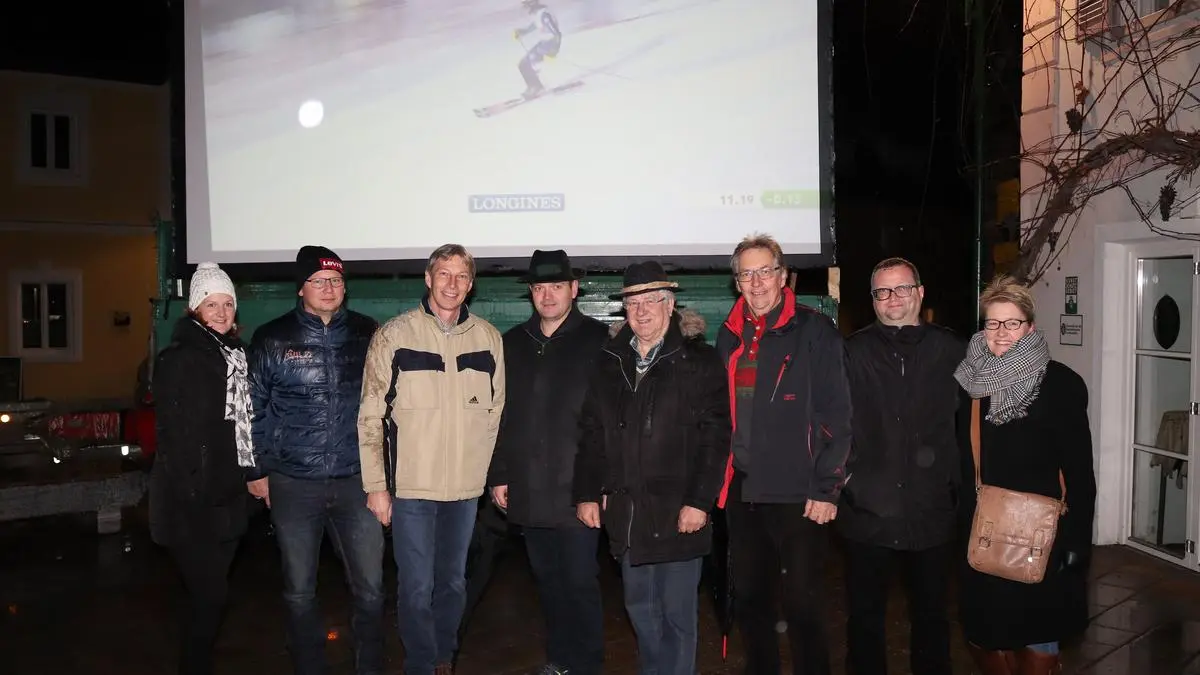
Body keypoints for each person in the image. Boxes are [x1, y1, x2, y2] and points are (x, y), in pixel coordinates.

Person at [573, 261, 730, 675]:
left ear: (670, 304)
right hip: (627, 513)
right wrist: (588, 491)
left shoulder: (699, 360)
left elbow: (716, 437)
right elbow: (591, 431)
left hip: (678, 510)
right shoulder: (609, 360)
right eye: (633, 303)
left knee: (677, 617)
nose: (641, 311)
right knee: (640, 610)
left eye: (651, 301)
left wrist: (700, 502)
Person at [358, 244, 505, 675]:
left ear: (471, 284)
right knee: (416, 587)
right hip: (410, 491)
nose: (452, 284)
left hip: (464, 492)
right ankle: (421, 665)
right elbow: (371, 417)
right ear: (428, 278)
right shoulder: (394, 335)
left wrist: (488, 480)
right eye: (444, 274)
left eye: (462, 276)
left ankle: (444, 659)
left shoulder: (488, 339)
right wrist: (377, 487)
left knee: (454, 583)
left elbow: (495, 418)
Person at [715, 233, 851, 675]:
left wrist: (828, 487)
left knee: (803, 607)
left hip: (799, 493)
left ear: (784, 275)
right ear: (737, 282)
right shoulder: (729, 333)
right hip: (744, 489)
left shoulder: (814, 330)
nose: (757, 282)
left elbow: (838, 412)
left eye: (765, 271)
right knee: (752, 604)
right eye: (746, 273)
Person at [245, 246, 384, 675]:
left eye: (337, 281)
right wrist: (257, 471)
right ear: (301, 287)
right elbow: (253, 409)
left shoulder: (368, 333)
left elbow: (385, 403)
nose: (329, 289)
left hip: (355, 481)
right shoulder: (272, 338)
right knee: (300, 591)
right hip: (293, 482)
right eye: (320, 281)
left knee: (372, 590)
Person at [953, 274, 1096, 675]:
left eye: (1012, 323)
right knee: (985, 632)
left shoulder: (1061, 384)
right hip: (985, 527)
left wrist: (1078, 541)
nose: (1001, 333)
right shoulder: (971, 384)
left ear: (1030, 326)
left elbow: (1080, 471)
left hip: (1043, 532)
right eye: (992, 323)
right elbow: (965, 461)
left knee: (1038, 633)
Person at [838, 257, 964, 675]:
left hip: (931, 510)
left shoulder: (952, 351)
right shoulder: (852, 352)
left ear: (920, 292)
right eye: (882, 292)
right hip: (867, 511)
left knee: (931, 616)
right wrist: (849, 481)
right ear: (872, 299)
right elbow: (829, 422)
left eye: (902, 288)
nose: (893, 299)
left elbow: (980, 416)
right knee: (864, 618)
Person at [487, 250, 609, 675]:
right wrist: (499, 473)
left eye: (556, 286)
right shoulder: (512, 343)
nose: (548, 295)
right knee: (549, 584)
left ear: (574, 289)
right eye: (539, 288)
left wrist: (597, 486)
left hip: (578, 489)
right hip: (529, 488)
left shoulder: (598, 340)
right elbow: (499, 414)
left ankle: (587, 664)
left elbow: (607, 422)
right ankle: (560, 661)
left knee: (580, 583)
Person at [150, 262, 253, 675]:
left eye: (228, 303)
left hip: (227, 499)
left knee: (206, 598)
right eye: (212, 304)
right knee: (210, 597)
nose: (222, 311)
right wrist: (195, 495)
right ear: (195, 309)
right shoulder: (181, 358)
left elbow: (243, 425)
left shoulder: (236, 356)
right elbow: (176, 436)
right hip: (191, 505)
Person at [514, 0, 562, 98]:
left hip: (548, 44)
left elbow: (556, 33)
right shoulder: (539, 13)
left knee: (524, 64)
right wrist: (523, 31)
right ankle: (535, 86)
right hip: (543, 44)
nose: (526, 8)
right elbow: (536, 24)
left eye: (527, 4)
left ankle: (535, 87)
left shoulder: (544, 15)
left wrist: (554, 50)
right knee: (523, 64)